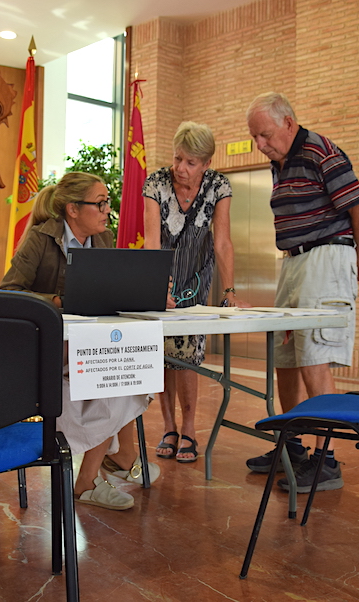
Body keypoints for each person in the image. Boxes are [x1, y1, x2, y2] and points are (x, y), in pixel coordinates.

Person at [0, 171, 159, 510]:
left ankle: (91, 476)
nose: (107, 211)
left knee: (132, 367)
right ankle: (114, 462)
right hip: (47, 351)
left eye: (107, 203)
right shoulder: (41, 239)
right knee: (117, 370)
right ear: (73, 209)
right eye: (100, 203)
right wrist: (58, 301)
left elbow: (108, 291)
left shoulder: (103, 240)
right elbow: (8, 293)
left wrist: (145, 294)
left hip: (86, 346)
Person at [245, 92, 359, 493]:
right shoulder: (278, 161)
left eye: (265, 135)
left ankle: (327, 460)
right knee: (285, 356)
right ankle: (294, 447)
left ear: (288, 123)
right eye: (254, 138)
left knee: (314, 359)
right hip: (294, 261)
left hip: (326, 257)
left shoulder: (320, 150)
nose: (260, 145)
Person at [143, 121, 248, 463]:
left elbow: (222, 242)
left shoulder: (219, 187)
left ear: (206, 163)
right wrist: (155, 285)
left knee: (186, 355)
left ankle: (189, 427)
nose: (181, 168)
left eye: (190, 162)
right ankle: (169, 426)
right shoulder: (156, 183)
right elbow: (151, 241)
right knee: (162, 356)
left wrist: (229, 290)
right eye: (177, 159)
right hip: (161, 276)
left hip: (196, 281)